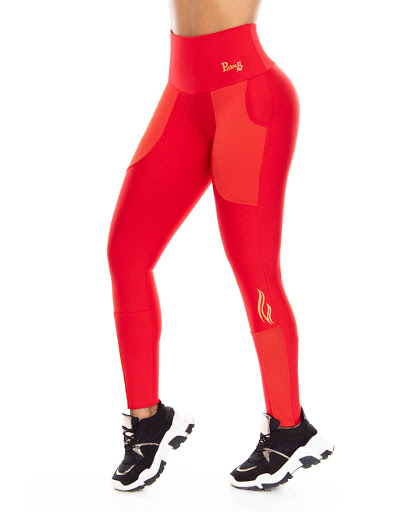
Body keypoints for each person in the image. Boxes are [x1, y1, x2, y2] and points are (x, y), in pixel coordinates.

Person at [106, 0, 334, 492]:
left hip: (249, 97)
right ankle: (148, 421)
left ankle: (289, 428)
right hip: (183, 95)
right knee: (126, 254)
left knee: (255, 268)